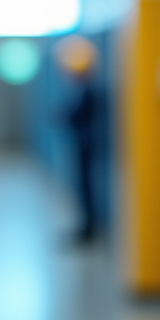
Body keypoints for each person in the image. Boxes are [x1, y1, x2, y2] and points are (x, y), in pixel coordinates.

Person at [55, 36, 102, 244]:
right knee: (81, 186)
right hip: (80, 144)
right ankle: (85, 225)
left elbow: (79, 114)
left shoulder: (88, 91)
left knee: (86, 186)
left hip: (86, 145)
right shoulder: (80, 90)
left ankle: (89, 228)